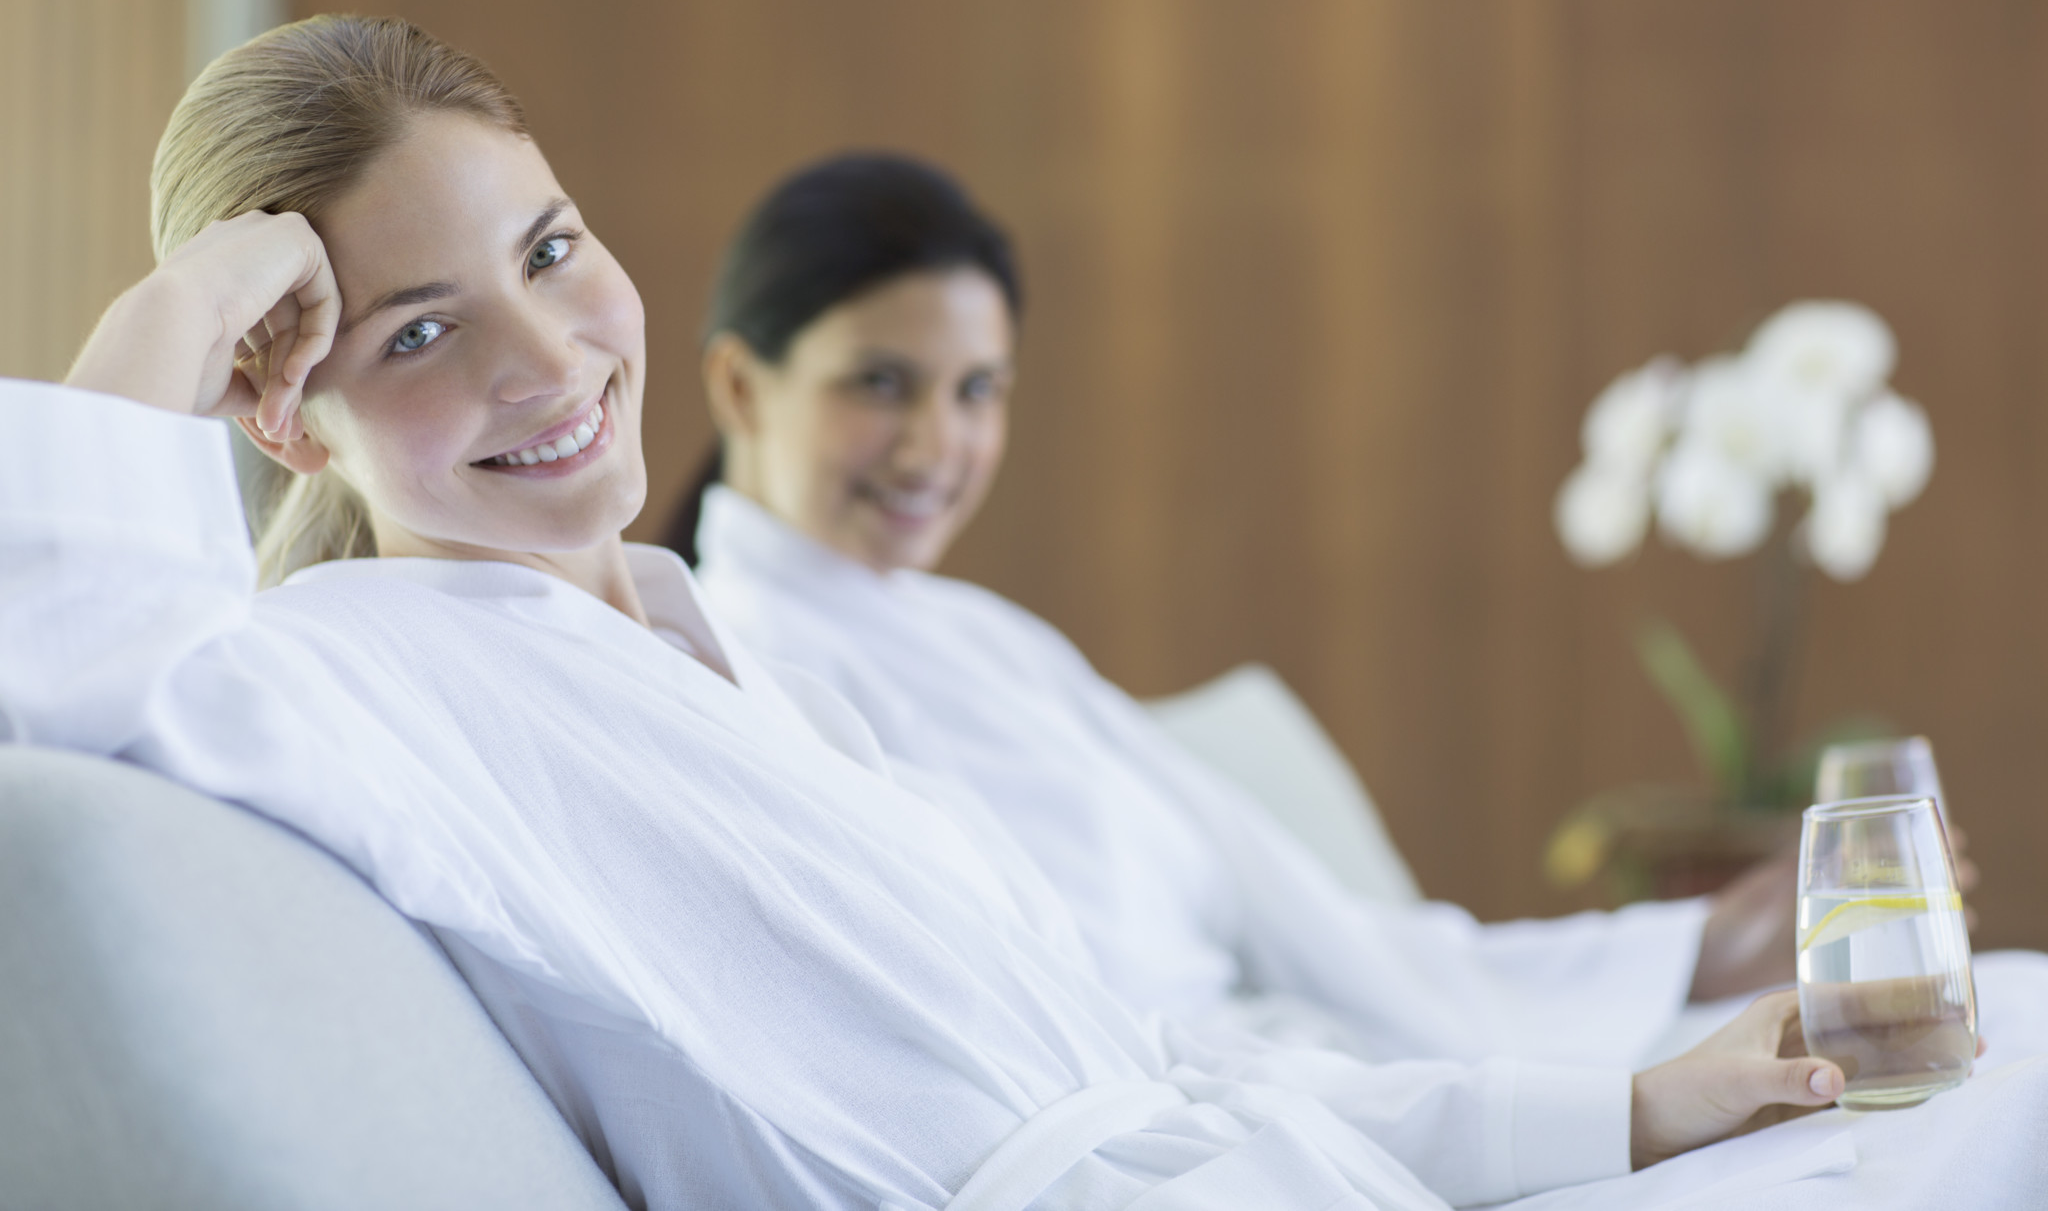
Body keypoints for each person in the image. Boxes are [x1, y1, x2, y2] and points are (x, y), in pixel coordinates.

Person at [2, 14, 1882, 1211]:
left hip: (1275, 1167)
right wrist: (204, 283)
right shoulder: (368, 680)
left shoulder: (750, 661)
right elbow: (61, 676)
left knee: (1932, 1097)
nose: (547, 355)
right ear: (280, 398)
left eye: (551, 249)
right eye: (416, 330)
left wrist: (1630, 1110)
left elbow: (1157, 1071)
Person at [679, 153, 2048, 1193]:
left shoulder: (967, 630)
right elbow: (1095, 1043)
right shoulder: (747, 684)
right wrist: (1617, 1102)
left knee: (2019, 1001)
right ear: (740, 387)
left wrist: (1688, 946)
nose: (938, 442)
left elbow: (1316, 921)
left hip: (1337, 1061)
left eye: (978, 388)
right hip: (1256, 1122)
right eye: (882, 382)